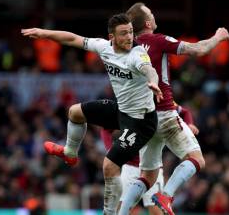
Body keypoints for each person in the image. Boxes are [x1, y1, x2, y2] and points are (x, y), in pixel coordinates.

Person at [21, 13, 163, 215]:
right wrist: (44, 33)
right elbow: (72, 38)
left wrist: (153, 82)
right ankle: (70, 153)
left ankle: (109, 213)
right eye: (123, 33)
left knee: (109, 165)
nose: (129, 37)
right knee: (75, 112)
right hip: (122, 110)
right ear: (111, 37)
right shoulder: (103, 47)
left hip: (141, 122)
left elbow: (149, 69)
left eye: (131, 32)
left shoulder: (138, 54)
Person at [119, 2, 229, 215]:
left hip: (143, 120)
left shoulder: (127, 49)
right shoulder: (159, 40)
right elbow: (198, 50)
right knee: (196, 159)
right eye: (151, 12)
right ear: (148, 23)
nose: (153, 12)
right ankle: (166, 195)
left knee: (148, 176)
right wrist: (218, 37)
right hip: (165, 113)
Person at [100, 103, 199, 215]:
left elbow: (184, 112)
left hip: (153, 168)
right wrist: (109, 149)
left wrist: (190, 124)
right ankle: (167, 194)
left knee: (156, 211)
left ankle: (166, 196)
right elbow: (106, 128)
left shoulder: (159, 101)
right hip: (130, 166)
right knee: (121, 208)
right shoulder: (130, 103)